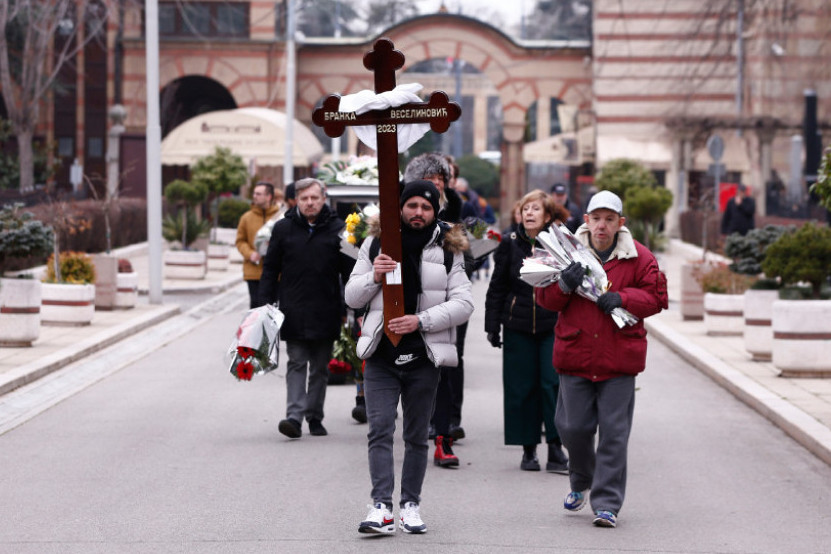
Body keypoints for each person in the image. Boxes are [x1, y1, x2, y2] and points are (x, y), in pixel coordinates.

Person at [345, 180, 473, 535]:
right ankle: (381, 506)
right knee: (380, 431)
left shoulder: (450, 250)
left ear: (436, 212)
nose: (418, 212)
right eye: (412, 205)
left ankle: (410, 505)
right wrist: (374, 275)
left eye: (426, 207)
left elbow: (464, 303)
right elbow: (352, 297)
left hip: (423, 358)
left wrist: (422, 321)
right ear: (400, 207)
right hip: (382, 355)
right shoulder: (375, 243)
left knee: (417, 436)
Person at [536, 190, 667, 529]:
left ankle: (606, 503)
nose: (602, 226)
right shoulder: (565, 253)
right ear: (587, 221)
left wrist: (623, 297)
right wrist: (563, 284)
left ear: (620, 223)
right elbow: (545, 299)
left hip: (618, 359)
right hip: (575, 355)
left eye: (610, 219)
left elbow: (656, 297)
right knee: (571, 427)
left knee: (614, 434)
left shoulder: (639, 257)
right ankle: (581, 478)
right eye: (597, 218)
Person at [258, 177, 354, 439]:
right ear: (296, 201)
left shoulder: (339, 229)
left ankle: (314, 416)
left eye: (314, 198)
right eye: (304, 199)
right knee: (297, 362)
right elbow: (270, 269)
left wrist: (353, 305)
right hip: (294, 308)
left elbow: (349, 272)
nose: (310, 203)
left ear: (323, 198)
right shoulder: (283, 229)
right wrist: (262, 304)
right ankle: (294, 416)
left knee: (321, 367)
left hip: (327, 308)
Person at [484, 189, 570, 474]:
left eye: (536, 209)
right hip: (517, 325)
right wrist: (492, 325)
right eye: (525, 208)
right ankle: (528, 449)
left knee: (552, 385)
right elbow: (497, 285)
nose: (529, 213)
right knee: (521, 387)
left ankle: (556, 448)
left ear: (547, 216)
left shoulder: (560, 244)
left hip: (551, 325)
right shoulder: (509, 243)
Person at [404, 152, 469, 461]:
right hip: (406, 303)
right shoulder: (397, 213)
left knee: (445, 364)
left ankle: (444, 432)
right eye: (427, 180)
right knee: (411, 369)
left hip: (445, 301)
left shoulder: (455, 209)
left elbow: (468, 248)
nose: (434, 186)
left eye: (439, 181)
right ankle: (417, 428)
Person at [235, 181, 281, 309]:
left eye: (259, 194)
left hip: (277, 274)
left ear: (269, 197)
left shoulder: (280, 217)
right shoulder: (246, 218)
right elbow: (240, 241)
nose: (254, 196)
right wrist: (250, 254)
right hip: (254, 272)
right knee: (256, 309)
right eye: (254, 193)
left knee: (274, 308)